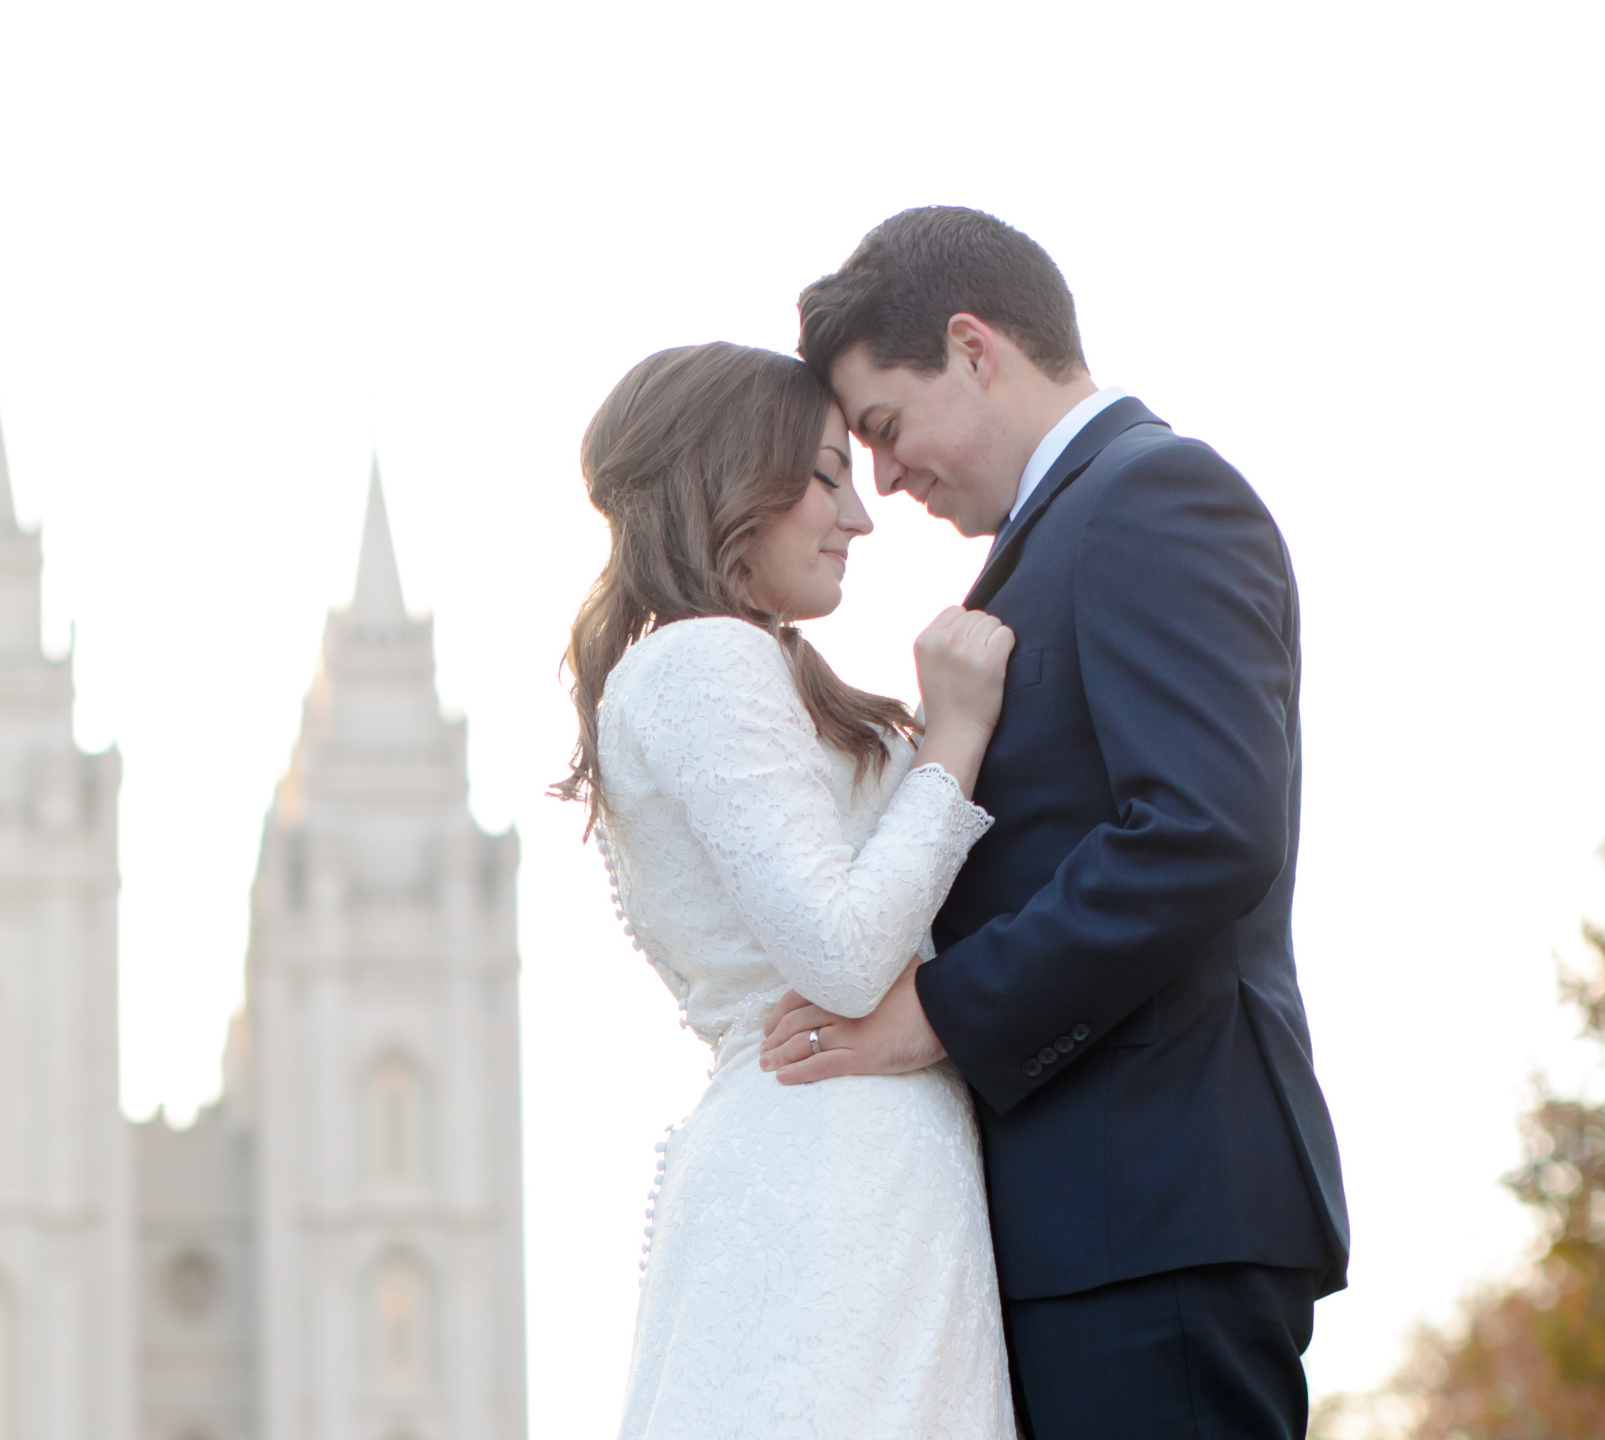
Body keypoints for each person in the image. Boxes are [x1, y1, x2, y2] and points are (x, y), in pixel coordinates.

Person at [760, 207, 1349, 1440]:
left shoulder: (1152, 497)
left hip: (1154, 1209)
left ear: (974, 348)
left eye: (884, 428)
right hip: (1095, 1219)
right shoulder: (1073, 528)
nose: (884, 480)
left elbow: (1200, 831)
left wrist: (939, 1012)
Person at [559, 341, 1019, 1438]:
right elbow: (845, 954)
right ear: (726, 480)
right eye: (824, 476)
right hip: (834, 1171)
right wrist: (954, 735)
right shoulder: (702, 659)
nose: (857, 516)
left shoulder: (715, 665)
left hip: (845, 1161)